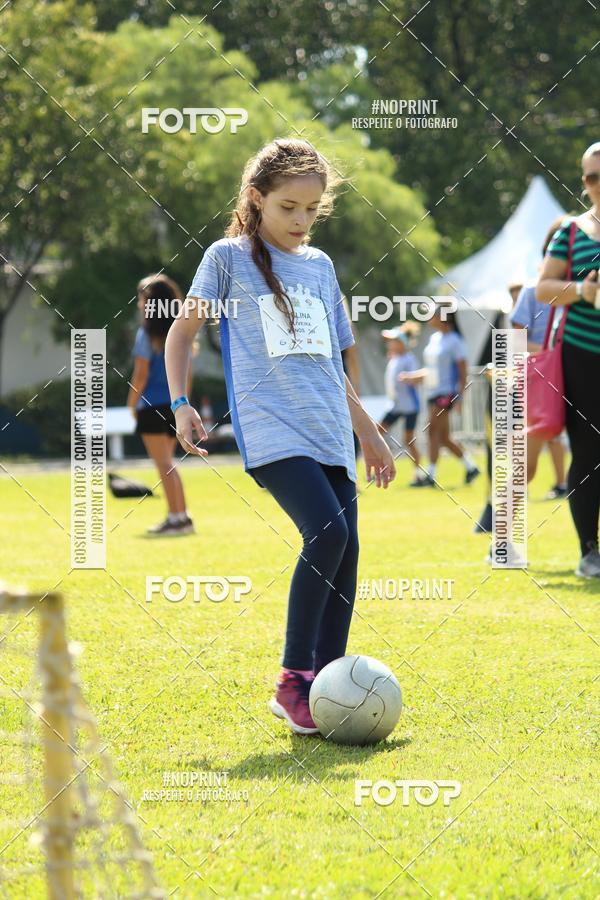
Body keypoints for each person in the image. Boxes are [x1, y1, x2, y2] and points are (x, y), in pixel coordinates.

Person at [164, 138, 395, 733]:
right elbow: (181, 334)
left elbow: (334, 360)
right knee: (327, 533)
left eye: (311, 210)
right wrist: (183, 403)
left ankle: (329, 685)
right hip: (273, 433)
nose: (300, 220)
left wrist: (367, 431)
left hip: (329, 433)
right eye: (288, 206)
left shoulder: (319, 267)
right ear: (257, 199)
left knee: (347, 551)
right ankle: (293, 681)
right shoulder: (226, 258)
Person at [537, 142, 600, 578]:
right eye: (591, 177)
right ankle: (589, 552)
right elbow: (543, 289)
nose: (598, 184)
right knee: (588, 452)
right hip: (583, 356)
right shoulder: (571, 231)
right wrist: (581, 290)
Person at [128, 274, 195, 536]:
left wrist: (130, 406)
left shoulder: (145, 334)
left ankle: (177, 519)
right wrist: (182, 404)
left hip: (151, 407)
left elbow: (140, 375)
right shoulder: (180, 332)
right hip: (174, 406)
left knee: (163, 465)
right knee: (169, 464)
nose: (139, 303)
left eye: (141, 297)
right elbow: (187, 374)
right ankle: (181, 516)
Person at [510, 218, 571, 501]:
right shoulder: (532, 291)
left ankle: (562, 485)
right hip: (544, 379)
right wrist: (552, 348)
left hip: (576, 375)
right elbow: (515, 339)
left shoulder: (585, 289)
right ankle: (501, 530)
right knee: (527, 464)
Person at [400, 308, 479, 487]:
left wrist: (459, 397)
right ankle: (471, 466)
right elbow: (432, 369)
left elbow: (462, 370)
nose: (430, 318)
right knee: (443, 436)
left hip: (446, 393)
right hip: (433, 391)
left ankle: (431, 474)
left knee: (431, 430)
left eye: (434, 315)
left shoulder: (455, 341)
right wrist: (413, 377)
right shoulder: (435, 339)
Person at [377, 323, 424, 486]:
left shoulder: (409, 359)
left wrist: (408, 378)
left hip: (410, 406)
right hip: (395, 405)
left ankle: (419, 474)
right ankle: (381, 468)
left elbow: (417, 378)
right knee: (377, 432)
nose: (389, 344)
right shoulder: (394, 358)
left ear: (401, 343)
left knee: (409, 441)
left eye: (393, 341)